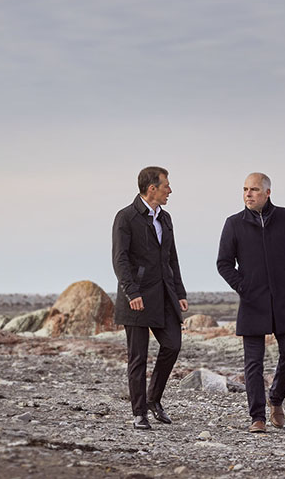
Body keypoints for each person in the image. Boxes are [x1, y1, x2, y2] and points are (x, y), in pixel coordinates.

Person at [217, 172, 285, 433]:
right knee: (253, 363)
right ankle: (257, 417)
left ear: (267, 193)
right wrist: (243, 286)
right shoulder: (234, 224)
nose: (248, 194)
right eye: (245, 189)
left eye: (254, 189)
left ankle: (276, 398)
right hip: (252, 302)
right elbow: (224, 263)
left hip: (284, 301)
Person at [112, 166, 189, 430]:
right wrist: (131, 292)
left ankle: (153, 399)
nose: (170, 190)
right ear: (152, 188)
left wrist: (180, 292)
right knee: (138, 357)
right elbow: (120, 259)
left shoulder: (165, 219)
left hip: (164, 295)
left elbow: (172, 258)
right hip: (136, 297)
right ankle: (139, 413)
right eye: (166, 186)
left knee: (173, 345)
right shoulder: (126, 217)